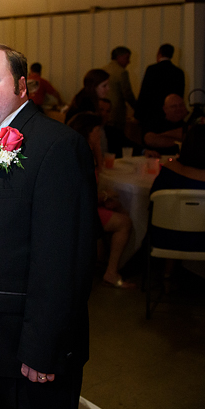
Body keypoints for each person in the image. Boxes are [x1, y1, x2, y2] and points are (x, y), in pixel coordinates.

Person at [0, 43, 97, 409]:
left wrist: (42, 347)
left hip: (27, 348)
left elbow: (65, 258)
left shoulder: (57, 145)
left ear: (22, 85)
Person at [150, 124, 205, 281]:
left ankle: (167, 275)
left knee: (172, 218)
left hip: (166, 237)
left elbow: (153, 200)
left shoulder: (171, 168)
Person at [67, 112, 135, 289]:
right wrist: (105, 197)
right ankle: (111, 271)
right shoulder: (80, 155)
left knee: (120, 209)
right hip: (80, 212)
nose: (100, 134)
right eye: (97, 131)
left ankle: (107, 261)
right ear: (89, 131)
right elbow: (80, 195)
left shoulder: (82, 149)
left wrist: (96, 147)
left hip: (85, 207)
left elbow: (99, 172)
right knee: (125, 222)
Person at [135, 43, 185, 128]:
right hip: (171, 113)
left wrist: (138, 113)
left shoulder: (152, 69)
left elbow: (144, 92)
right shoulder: (178, 72)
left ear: (159, 53)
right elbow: (180, 95)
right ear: (172, 55)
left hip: (152, 114)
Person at [103, 46, 137, 133]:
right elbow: (127, 94)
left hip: (103, 112)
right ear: (119, 57)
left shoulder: (103, 69)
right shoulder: (122, 72)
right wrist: (137, 109)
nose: (129, 62)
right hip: (116, 114)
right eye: (127, 58)